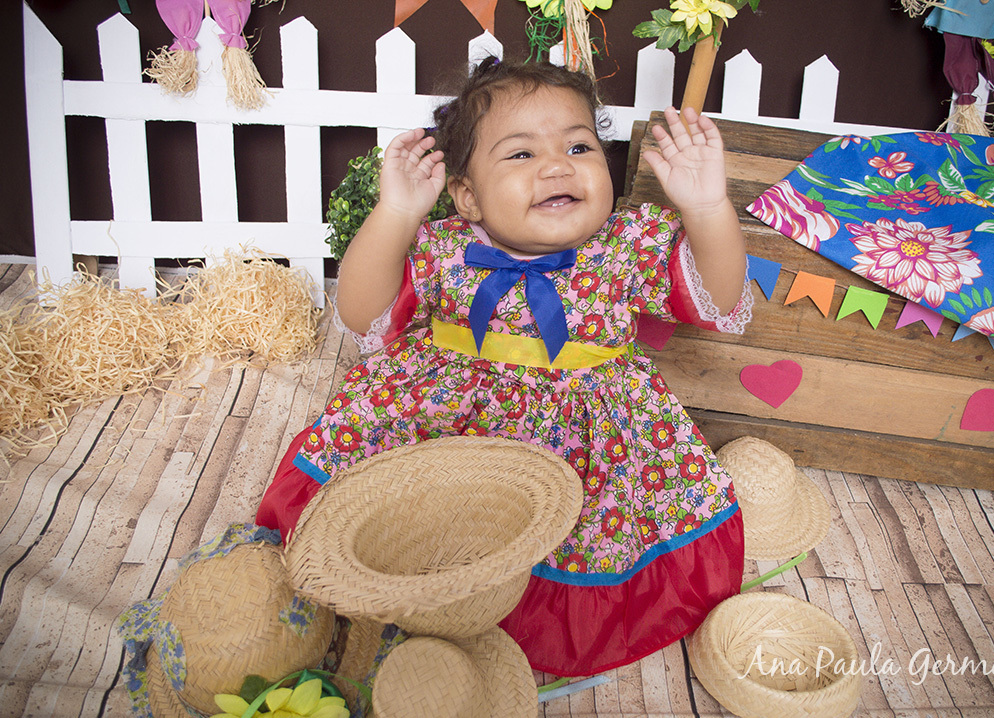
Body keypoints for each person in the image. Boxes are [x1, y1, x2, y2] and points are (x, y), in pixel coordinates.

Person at [256, 57, 752, 677]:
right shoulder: (446, 249)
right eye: (520, 155)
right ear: (466, 195)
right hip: (448, 420)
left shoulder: (627, 248)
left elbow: (722, 295)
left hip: (583, 430)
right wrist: (396, 214)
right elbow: (360, 313)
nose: (556, 165)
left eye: (579, 145)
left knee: (582, 523)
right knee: (411, 514)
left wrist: (707, 208)